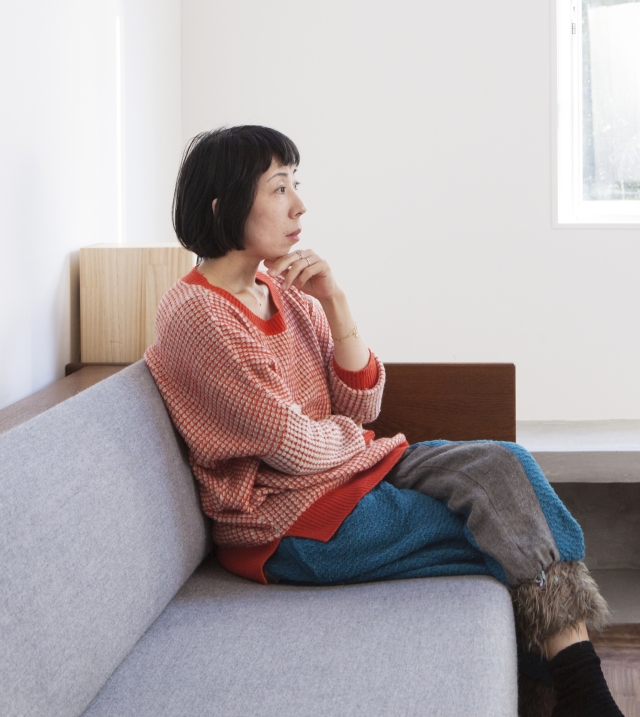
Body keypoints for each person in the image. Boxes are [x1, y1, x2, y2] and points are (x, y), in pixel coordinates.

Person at [145, 125, 622, 717]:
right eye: (278, 189)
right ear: (224, 207)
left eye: (296, 184)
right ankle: (578, 691)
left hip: (355, 476)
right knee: (503, 531)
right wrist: (350, 442)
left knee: (508, 464)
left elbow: (360, 408)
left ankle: (568, 693)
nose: (299, 204)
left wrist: (334, 301)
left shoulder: (286, 291)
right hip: (289, 525)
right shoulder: (196, 316)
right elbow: (293, 447)